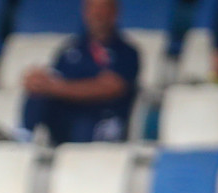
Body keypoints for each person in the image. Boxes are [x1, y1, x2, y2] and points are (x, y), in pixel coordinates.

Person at [15, 0, 141, 145]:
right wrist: (38, 81)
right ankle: (22, 138)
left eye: (102, 8)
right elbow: (56, 78)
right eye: (92, 9)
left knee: (83, 128)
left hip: (100, 118)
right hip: (69, 114)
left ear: (114, 13)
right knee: (39, 94)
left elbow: (110, 88)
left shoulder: (127, 52)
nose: (96, 14)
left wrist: (55, 87)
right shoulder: (71, 48)